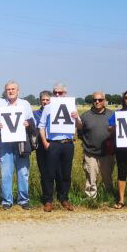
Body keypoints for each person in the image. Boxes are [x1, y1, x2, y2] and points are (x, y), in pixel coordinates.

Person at [0, 81, 34, 210]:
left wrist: (28, 124)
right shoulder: (0, 104)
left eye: (13, 89)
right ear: (5, 91)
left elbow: (33, 121)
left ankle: (23, 200)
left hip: (21, 143)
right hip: (5, 144)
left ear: (18, 91)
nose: (10, 91)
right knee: (6, 173)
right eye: (8, 89)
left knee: (23, 172)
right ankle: (7, 201)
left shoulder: (25, 104)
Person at [38, 84, 79, 212]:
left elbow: (80, 125)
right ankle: (48, 200)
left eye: (60, 93)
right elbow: (41, 126)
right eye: (55, 92)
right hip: (53, 144)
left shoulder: (72, 107)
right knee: (49, 173)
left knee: (65, 173)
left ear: (65, 93)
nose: (57, 95)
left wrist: (77, 117)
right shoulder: (48, 108)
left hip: (67, 144)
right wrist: (45, 143)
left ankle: (64, 198)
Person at [76, 91, 115, 201]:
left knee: (107, 177)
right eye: (95, 100)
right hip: (90, 153)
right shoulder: (85, 116)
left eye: (100, 100)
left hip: (108, 153)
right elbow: (80, 133)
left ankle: (109, 197)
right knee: (90, 178)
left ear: (104, 100)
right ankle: (91, 200)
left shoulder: (112, 115)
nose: (97, 102)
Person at [33, 91, 52, 205]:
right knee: (44, 173)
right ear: (40, 101)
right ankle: (47, 198)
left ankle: (59, 196)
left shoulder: (56, 111)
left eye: (47, 100)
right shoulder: (35, 113)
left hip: (54, 144)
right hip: (41, 146)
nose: (45, 102)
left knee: (56, 172)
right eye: (43, 100)